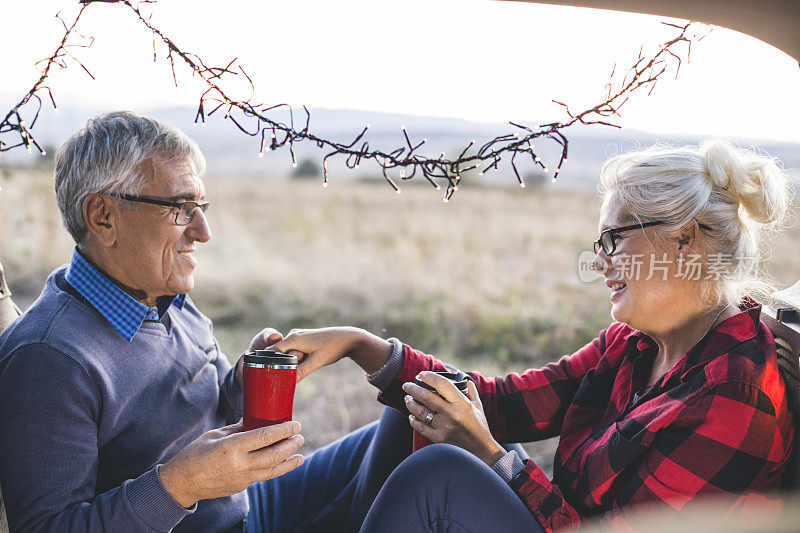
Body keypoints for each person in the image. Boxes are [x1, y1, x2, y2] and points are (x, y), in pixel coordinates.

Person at [268, 140, 796, 531]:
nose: (600, 260)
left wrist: (490, 454)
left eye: (614, 238)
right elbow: (510, 402)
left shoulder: (735, 397)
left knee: (440, 473)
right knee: (422, 399)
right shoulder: (634, 345)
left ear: (685, 241)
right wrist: (360, 344)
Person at [0, 112, 413, 532]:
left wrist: (242, 384)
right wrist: (180, 486)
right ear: (103, 216)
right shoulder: (48, 358)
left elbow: (211, 413)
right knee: (428, 478)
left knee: (416, 414)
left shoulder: (164, 295)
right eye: (181, 208)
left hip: (253, 503)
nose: (203, 230)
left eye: (200, 206)